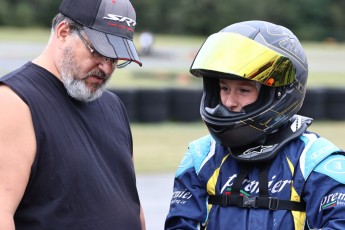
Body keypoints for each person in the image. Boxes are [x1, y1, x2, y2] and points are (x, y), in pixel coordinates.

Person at [165, 20, 345, 229]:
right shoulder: (201, 156)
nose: (230, 102)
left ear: (278, 93)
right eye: (224, 88)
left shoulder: (315, 160)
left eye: (243, 90)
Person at [0, 0, 146, 229]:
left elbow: (129, 201)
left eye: (115, 57)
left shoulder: (113, 105)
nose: (107, 68)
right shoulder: (14, 102)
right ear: (63, 32)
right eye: (99, 51)